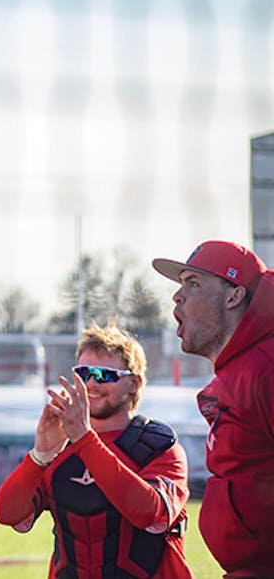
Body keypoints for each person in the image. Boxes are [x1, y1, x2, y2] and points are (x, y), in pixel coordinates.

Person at [0, 322, 193, 578]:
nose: (91, 383)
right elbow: (7, 513)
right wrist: (40, 456)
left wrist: (85, 439)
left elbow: (147, 512)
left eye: (105, 375)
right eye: (84, 373)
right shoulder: (60, 447)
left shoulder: (160, 447)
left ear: (134, 383)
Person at [152, 240, 274, 576]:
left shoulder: (265, 366)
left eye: (193, 283)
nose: (178, 296)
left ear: (234, 296)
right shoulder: (244, 368)